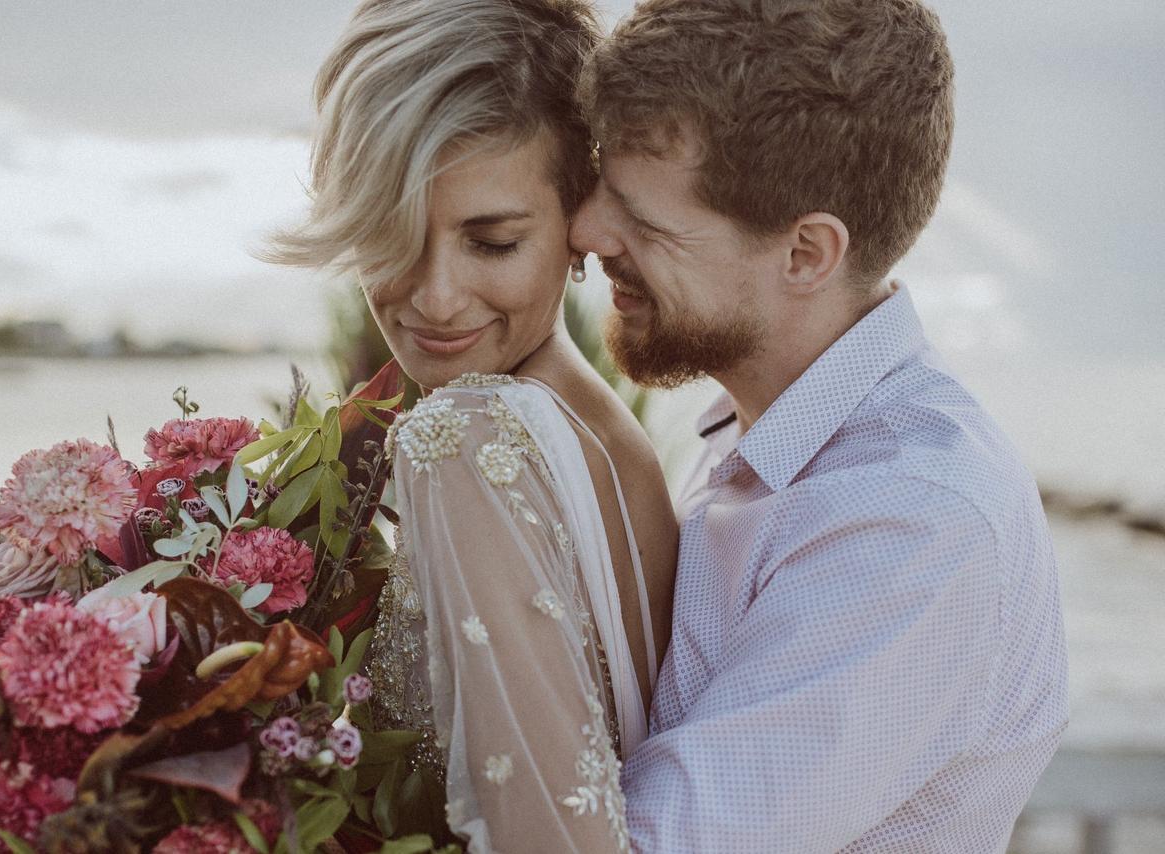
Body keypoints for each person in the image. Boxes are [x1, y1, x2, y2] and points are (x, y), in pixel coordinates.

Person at [569, 0, 1069, 850]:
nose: (586, 232)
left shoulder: (911, 519)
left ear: (806, 254)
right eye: (598, 190)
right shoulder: (751, 432)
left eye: (644, 221)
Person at [270, 1, 676, 851]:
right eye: (393, 235)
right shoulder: (611, 437)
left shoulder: (469, 433)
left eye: (491, 243)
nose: (436, 296)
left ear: (578, 227)